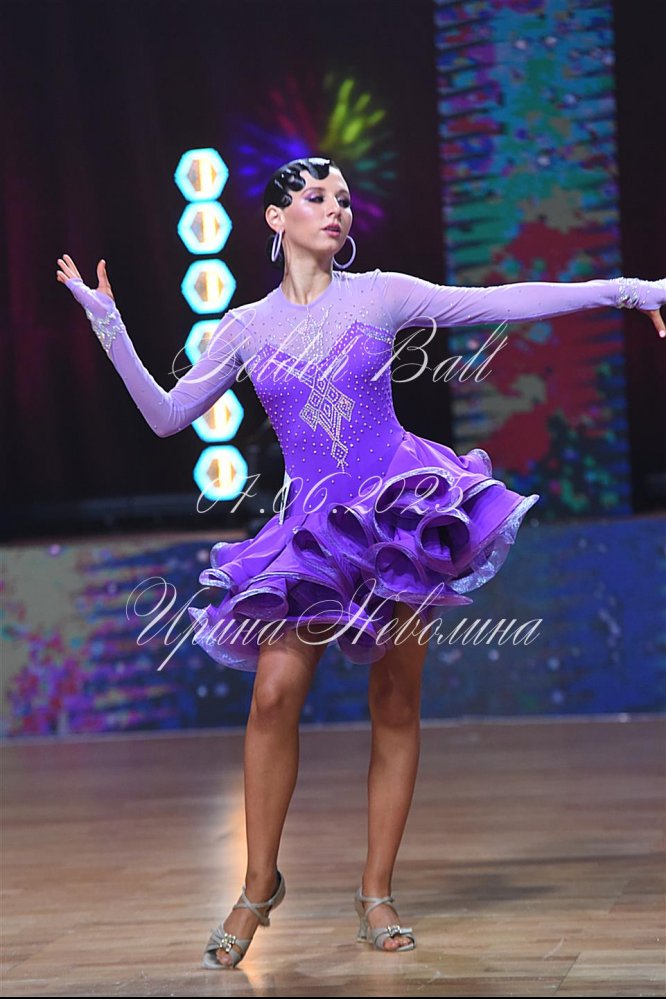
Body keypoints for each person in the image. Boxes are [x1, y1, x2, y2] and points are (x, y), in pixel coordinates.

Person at [57, 156, 666, 969]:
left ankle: (376, 889)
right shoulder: (245, 326)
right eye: (315, 197)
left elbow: (499, 302)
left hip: (397, 518)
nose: (334, 209)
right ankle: (257, 883)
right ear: (275, 217)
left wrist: (628, 290)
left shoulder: (381, 294)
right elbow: (168, 417)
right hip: (312, 533)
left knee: (396, 699)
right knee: (274, 693)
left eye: (343, 198)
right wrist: (109, 325)